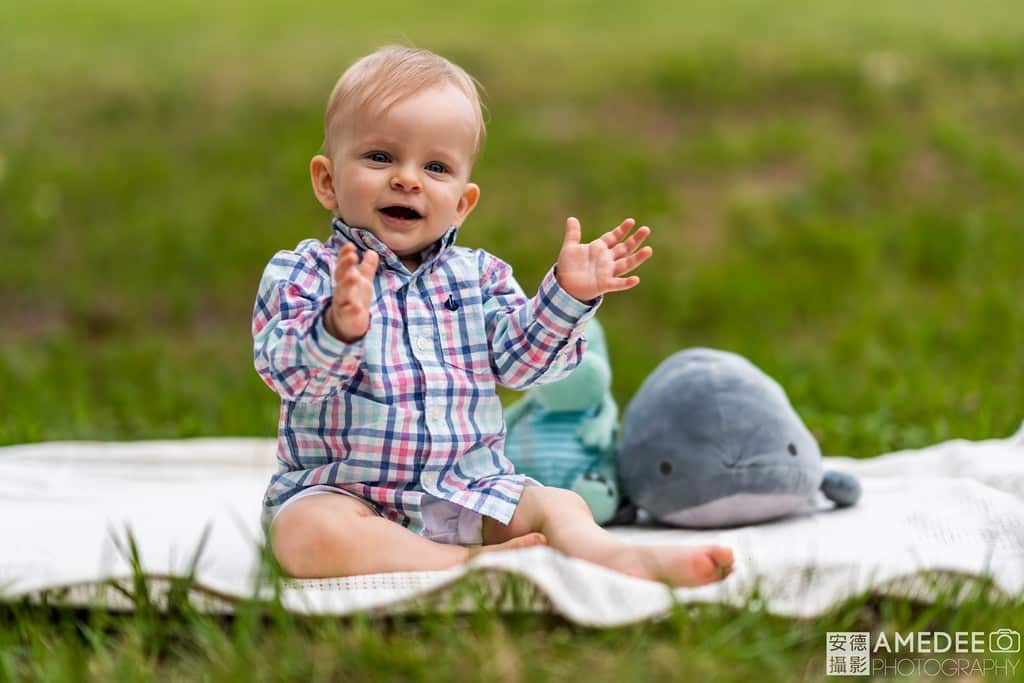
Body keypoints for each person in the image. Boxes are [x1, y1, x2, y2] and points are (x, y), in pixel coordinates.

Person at [253, 45, 734, 586]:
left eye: (436, 167)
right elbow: (288, 374)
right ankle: (464, 565)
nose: (408, 179)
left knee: (557, 506)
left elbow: (524, 366)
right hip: (347, 494)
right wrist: (338, 329)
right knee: (303, 536)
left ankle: (618, 558)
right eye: (380, 157)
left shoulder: (480, 278)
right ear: (327, 180)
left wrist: (568, 297)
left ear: (462, 202)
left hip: (469, 494)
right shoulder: (306, 274)